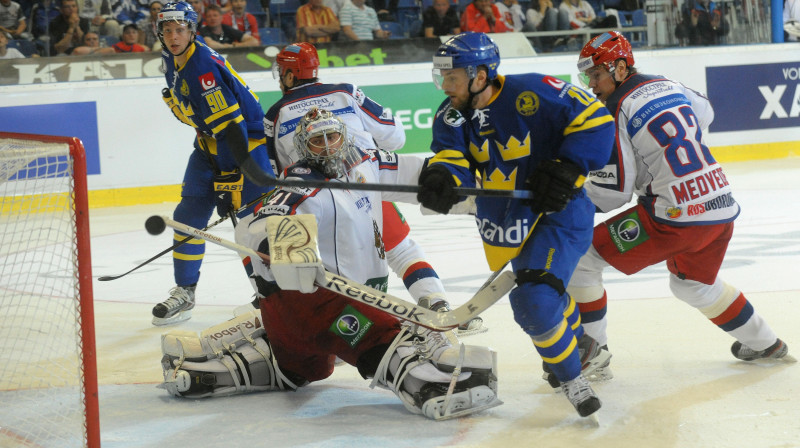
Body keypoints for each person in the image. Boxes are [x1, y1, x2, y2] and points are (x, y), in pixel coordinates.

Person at [157, 108, 502, 420]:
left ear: (344, 135)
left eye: (331, 136)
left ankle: (210, 371)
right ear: (304, 147)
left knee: (305, 367)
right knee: (386, 340)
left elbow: (423, 175)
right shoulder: (299, 180)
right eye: (316, 140)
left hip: (294, 316)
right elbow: (267, 220)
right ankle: (430, 387)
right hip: (323, 302)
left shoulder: (367, 162)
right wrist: (275, 246)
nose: (326, 145)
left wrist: (474, 192)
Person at [416, 32, 615, 418]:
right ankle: (581, 343)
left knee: (532, 302)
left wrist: (570, 165)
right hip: (510, 220)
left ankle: (574, 378)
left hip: (560, 213)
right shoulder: (451, 113)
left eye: (453, 78)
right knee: (544, 296)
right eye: (442, 77)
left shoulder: (535, 91)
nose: (445, 86)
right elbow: (451, 155)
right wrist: (443, 179)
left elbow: (596, 120)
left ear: (480, 75)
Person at [571, 31, 791, 373]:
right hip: (719, 204)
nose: (591, 84)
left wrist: (570, 199)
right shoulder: (665, 82)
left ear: (618, 67)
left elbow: (614, 193)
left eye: (596, 74)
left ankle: (592, 356)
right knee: (693, 285)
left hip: (672, 219)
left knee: (582, 261)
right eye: (588, 76)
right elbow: (705, 113)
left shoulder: (613, 111)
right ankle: (768, 344)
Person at [265, 42, 485, 335]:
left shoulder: (274, 115)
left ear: (289, 75)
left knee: (323, 274)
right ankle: (436, 304)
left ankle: (326, 323)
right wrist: (368, 155)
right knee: (402, 249)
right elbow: (395, 136)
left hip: (318, 200)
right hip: (367, 179)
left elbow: (278, 175)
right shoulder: (345, 92)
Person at [153, 1, 275, 325]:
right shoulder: (173, 60)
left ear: (191, 30)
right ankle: (185, 291)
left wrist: (230, 175)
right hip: (210, 143)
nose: (173, 35)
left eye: (179, 29)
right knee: (187, 215)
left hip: (244, 146)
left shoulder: (200, 65)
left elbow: (232, 127)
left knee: (251, 223)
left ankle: (274, 294)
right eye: (167, 30)